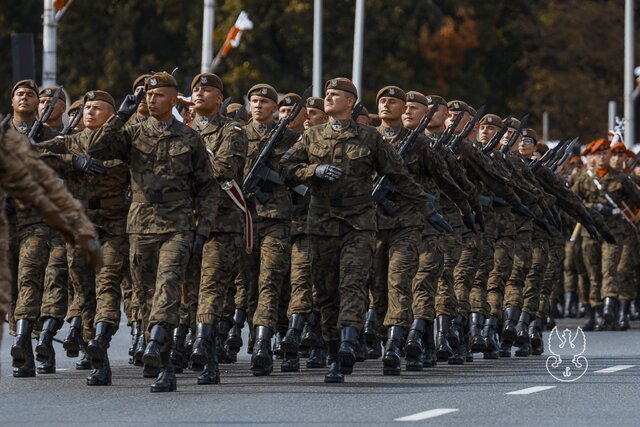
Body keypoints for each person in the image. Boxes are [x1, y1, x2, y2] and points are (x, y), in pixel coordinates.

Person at [280, 77, 433, 383]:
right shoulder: (311, 136)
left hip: (359, 222)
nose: (329, 98)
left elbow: (398, 175)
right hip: (322, 221)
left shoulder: (369, 137)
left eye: (335, 94)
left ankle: (348, 343)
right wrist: (314, 170)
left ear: (350, 102)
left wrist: (429, 209)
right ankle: (335, 348)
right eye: (327, 94)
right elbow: (285, 167)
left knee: (352, 282)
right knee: (324, 291)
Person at [87, 71, 218, 393]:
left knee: (168, 288)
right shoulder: (132, 133)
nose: (150, 99)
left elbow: (208, 188)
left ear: (174, 99)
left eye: (158, 95)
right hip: (140, 225)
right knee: (145, 298)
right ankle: (163, 363)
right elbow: (96, 147)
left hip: (177, 225)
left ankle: (158, 342)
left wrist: (203, 229)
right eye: (147, 94)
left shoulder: (189, 138)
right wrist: (121, 113)